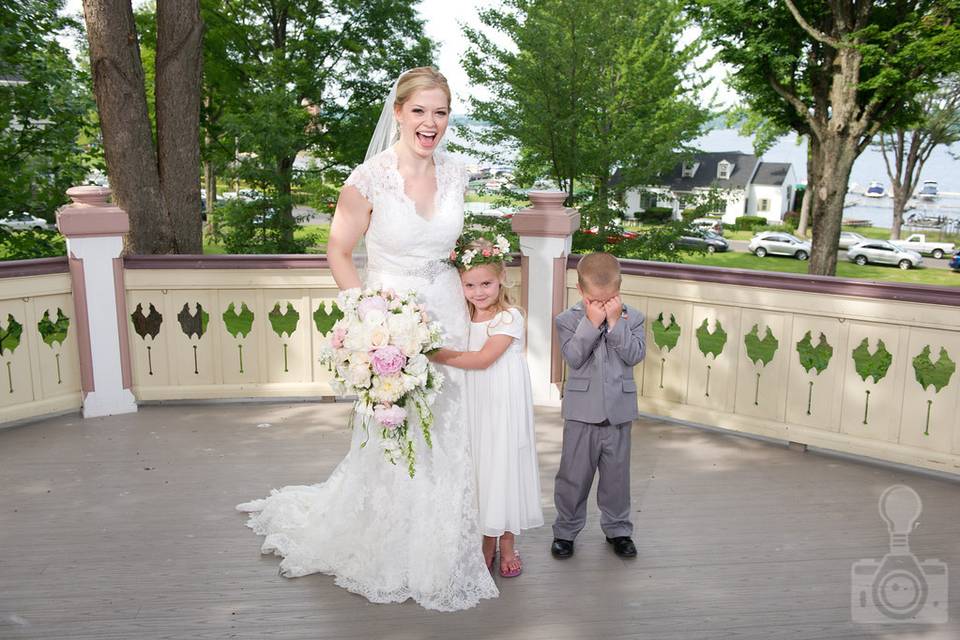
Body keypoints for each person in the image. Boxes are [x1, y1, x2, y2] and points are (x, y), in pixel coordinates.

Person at [235, 67, 498, 612]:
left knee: (450, 430)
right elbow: (338, 251)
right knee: (395, 430)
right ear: (398, 113)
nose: (431, 123)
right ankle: (391, 542)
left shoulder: (456, 173)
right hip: (390, 320)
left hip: (447, 310)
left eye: (441, 112)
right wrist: (369, 318)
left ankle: (444, 542)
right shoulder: (368, 178)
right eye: (420, 111)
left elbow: (450, 245)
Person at [431, 237, 544, 578]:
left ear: (500, 280)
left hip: (502, 406)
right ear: (460, 285)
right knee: (481, 469)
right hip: (474, 404)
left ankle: (507, 543)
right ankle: (485, 541)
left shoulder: (509, 318)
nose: (479, 292)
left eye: (486, 284)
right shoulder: (462, 319)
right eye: (470, 285)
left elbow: (482, 360)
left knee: (503, 466)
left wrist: (433, 353)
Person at [550, 252, 645, 560]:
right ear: (580, 291)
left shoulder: (634, 318)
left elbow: (634, 355)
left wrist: (616, 324)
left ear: (619, 289)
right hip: (581, 415)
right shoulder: (568, 320)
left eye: (610, 300)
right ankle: (565, 531)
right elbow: (574, 357)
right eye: (595, 300)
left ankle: (618, 529)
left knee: (617, 477)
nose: (604, 306)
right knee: (573, 476)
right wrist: (591, 324)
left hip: (618, 413)